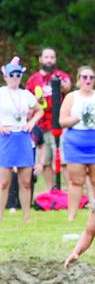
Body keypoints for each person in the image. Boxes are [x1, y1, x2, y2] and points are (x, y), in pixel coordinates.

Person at [59, 65, 95, 221]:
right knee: (75, 181)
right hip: (75, 143)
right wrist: (77, 117)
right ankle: (72, 216)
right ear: (78, 79)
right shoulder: (72, 97)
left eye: (91, 77)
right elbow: (62, 121)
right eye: (84, 77)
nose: (88, 80)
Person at [0, 57, 43, 222]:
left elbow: (39, 110)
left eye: (18, 74)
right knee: (4, 182)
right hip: (6, 137)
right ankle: (1, 216)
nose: (15, 77)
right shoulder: (1, 93)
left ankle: (26, 216)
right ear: (5, 76)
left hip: (23, 136)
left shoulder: (26, 94)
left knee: (26, 181)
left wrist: (31, 122)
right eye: (12, 74)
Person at [25, 47, 71, 189]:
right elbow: (27, 103)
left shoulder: (60, 75)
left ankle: (70, 189)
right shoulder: (33, 80)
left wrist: (58, 83)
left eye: (52, 57)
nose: (49, 60)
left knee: (63, 160)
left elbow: (67, 88)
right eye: (46, 57)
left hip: (59, 125)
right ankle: (52, 190)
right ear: (40, 59)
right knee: (45, 162)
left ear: (55, 59)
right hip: (40, 126)